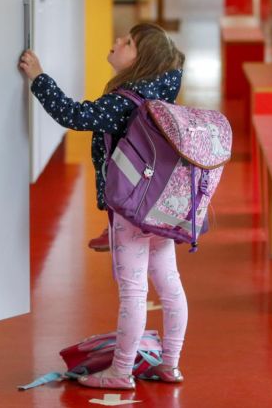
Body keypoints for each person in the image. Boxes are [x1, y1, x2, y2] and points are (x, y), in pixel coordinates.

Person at [18, 23, 189, 389]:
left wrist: (38, 78)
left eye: (127, 42)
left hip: (129, 211)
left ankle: (121, 371)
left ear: (140, 60)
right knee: (169, 284)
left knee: (133, 291)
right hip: (160, 208)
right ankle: (170, 364)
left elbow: (74, 115)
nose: (116, 42)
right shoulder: (162, 92)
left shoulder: (124, 102)